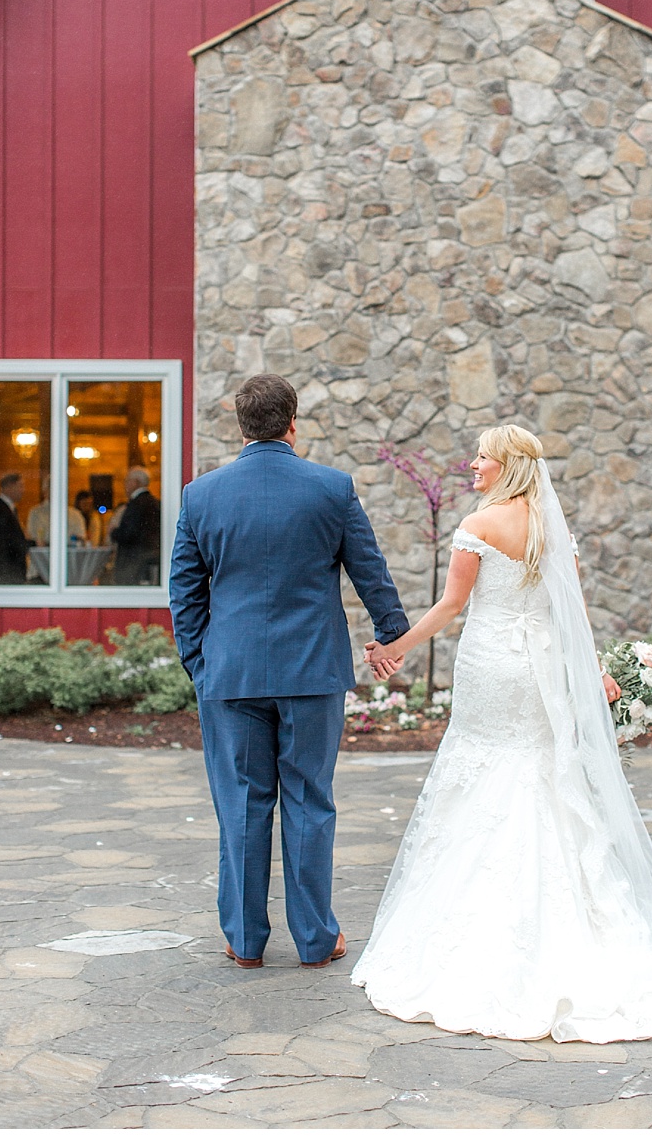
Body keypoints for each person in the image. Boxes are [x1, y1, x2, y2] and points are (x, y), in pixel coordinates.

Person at [353, 425, 652, 1041]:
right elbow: (571, 611)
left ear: (508, 466)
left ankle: (476, 941)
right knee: (539, 770)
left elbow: (450, 607)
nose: (473, 465)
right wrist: (593, 670)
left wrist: (394, 650)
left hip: (493, 667)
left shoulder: (480, 525)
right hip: (538, 666)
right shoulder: (550, 527)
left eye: (483, 458)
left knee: (484, 768)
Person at [169, 373, 409, 970]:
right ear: (293, 423)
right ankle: (314, 938)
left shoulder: (202, 495)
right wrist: (391, 633)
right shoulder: (332, 489)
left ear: (241, 425)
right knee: (309, 802)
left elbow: (184, 593)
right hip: (312, 674)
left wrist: (200, 663)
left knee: (242, 806)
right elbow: (370, 571)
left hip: (230, 676)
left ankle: (244, 940)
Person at [110, 467, 162, 584]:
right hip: (150, 558)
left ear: (135, 482)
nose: (125, 486)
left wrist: (114, 532)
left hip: (133, 561)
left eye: (127, 481)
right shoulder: (155, 503)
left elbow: (129, 534)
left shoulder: (136, 504)